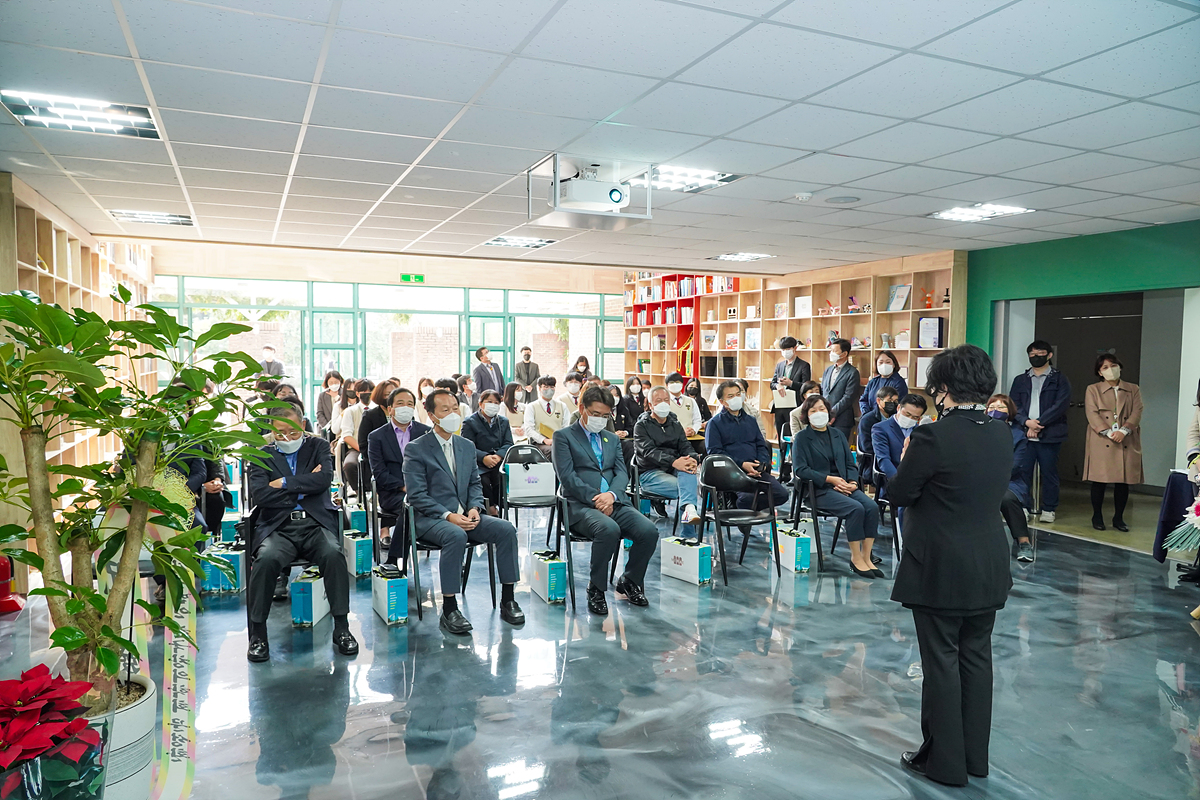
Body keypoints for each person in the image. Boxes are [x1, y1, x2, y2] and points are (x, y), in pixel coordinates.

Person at [889, 344, 1014, 788]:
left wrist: (906, 460)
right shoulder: (1001, 432)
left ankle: (942, 762)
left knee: (940, 661)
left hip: (939, 564)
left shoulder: (931, 436)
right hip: (988, 562)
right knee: (977, 659)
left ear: (942, 388)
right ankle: (974, 758)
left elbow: (900, 495)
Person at [403, 388, 524, 634]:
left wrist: (474, 508)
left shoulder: (466, 446)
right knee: (455, 535)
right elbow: (416, 496)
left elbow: (474, 484)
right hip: (432, 518)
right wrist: (448, 516)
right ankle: (449, 608)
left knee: (506, 529)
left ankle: (508, 599)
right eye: (445, 410)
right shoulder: (416, 449)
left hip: (466, 516)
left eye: (455, 408)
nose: (452, 414)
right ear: (431, 415)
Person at [246, 406, 358, 662]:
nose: (286, 438)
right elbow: (261, 495)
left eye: (292, 431)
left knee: (333, 554)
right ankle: (258, 634)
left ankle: (341, 627)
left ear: (304, 425)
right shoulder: (261, 455)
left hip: (315, 524)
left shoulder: (317, 446)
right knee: (266, 560)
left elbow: (324, 480)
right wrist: (305, 483)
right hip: (278, 527)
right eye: (279, 433)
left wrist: (283, 483)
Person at [553, 386, 659, 615]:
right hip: (580, 506)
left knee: (648, 531)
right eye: (595, 414)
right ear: (582, 409)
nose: (600, 420)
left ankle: (629, 580)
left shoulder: (611, 438)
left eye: (605, 416)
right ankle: (596, 588)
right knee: (608, 530)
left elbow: (622, 473)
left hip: (615, 501)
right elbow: (568, 478)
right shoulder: (563, 437)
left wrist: (611, 496)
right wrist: (597, 499)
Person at [791, 395, 881, 578]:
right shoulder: (802, 438)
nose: (818, 413)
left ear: (828, 411)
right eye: (813, 410)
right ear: (806, 415)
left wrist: (852, 482)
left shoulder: (838, 434)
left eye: (822, 409)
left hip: (844, 485)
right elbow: (801, 469)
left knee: (871, 507)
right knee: (855, 509)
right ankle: (856, 558)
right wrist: (831, 479)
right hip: (818, 489)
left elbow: (850, 463)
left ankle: (866, 556)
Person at [1009, 340, 1070, 523]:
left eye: (1040, 353)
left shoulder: (1060, 379)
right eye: (1032, 354)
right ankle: (1024, 506)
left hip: (1050, 433)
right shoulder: (1020, 380)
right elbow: (1014, 405)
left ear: (1049, 355)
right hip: (1024, 433)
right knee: (1022, 471)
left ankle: (1049, 509)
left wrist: (1039, 423)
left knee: (1049, 472)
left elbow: (1061, 405)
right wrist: (1027, 422)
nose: (1036, 357)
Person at [367, 387, 431, 562]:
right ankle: (394, 559)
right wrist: (404, 486)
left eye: (410, 404)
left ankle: (394, 560)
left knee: (418, 504)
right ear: (390, 409)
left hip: (424, 490)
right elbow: (379, 473)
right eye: (400, 403)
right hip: (393, 492)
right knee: (409, 506)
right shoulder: (377, 437)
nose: (406, 407)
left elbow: (433, 467)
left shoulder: (426, 432)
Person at [705, 380, 788, 511]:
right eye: (730, 396)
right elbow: (715, 452)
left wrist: (761, 464)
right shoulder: (714, 423)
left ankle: (743, 508)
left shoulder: (751, 420)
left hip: (756, 470)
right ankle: (743, 510)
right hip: (732, 473)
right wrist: (742, 465)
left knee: (781, 495)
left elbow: (761, 444)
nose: (736, 398)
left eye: (738, 394)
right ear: (722, 402)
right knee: (747, 499)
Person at [1083, 353, 1143, 532]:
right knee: (1099, 480)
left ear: (1120, 367)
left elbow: (1137, 411)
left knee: (1123, 481)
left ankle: (1119, 518)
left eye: (1113, 365)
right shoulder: (1092, 389)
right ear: (1099, 372)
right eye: (1105, 367)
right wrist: (1109, 432)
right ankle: (1097, 516)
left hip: (1126, 438)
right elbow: (1091, 413)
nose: (1110, 370)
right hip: (1102, 438)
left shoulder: (1133, 389)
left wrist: (1124, 430)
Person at [633, 386, 702, 526]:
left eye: (666, 400)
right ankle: (688, 534)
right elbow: (649, 452)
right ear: (650, 404)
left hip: (673, 470)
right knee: (687, 488)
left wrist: (692, 459)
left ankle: (689, 512)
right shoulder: (641, 426)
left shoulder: (675, 423)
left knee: (688, 473)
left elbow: (685, 446)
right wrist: (674, 461)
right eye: (658, 400)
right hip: (650, 472)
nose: (663, 403)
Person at [986, 394, 1036, 562]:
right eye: (992, 407)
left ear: (1010, 411)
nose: (996, 411)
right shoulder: (979, 430)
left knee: (1006, 498)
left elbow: (1015, 465)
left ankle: (1024, 543)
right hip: (980, 478)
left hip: (1010, 481)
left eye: (1001, 407)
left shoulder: (1018, 435)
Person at [461, 389, 514, 516]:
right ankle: (489, 508)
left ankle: (500, 505)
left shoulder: (503, 421)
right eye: (489, 401)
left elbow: (508, 443)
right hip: (478, 462)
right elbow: (467, 446)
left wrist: (498, 456)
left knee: (500, 477)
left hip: (497, 460)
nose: (493, 405)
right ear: (480, 403)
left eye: (496, 402)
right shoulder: (469, 422)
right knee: (482, 479)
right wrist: (484, 457)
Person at [873, 394, 926, 490]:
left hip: (917, 480)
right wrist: (899, 481)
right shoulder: (881, 428)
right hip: (894, 479)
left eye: (915, 417)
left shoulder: (920, 432)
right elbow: (884, 460)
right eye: (907, 414)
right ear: (898, 408)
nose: (910, 419)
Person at [770, 336, 811, 449]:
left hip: (795, 406)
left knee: (795, 437)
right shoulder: (780, 365)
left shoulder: (804, 365)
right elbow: (772, 383)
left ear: (795, 348)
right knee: (781, 437)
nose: (785, 352)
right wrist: (778, 386)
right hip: (780, 406)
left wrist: (791, 384)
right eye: (782, 350)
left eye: (787, 349)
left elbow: (805, 386)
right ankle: (783, 463)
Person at [355, 380, 396, 492]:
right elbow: (363, 444)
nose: (391, 398)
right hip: (378, 462)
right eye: (387, 395)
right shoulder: (370, 416)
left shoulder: (405, 416)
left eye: (394, 394)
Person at [820, 338, 861, 439]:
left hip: (842, 419)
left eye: (834, 351)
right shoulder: (828, 370)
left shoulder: (852, 372)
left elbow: (848, 397)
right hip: (824, 416)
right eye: (831, 350)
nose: (831, 353)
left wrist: (833, 412)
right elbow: (823, 391)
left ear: (844, 354)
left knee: (839, 450)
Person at [338, 379, 373, 495]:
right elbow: (347, 436)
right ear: (357, 393)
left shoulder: (378, 410)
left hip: (376, 447)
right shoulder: (350, 411)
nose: (367, 393)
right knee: (350, 465)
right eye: (363, 391)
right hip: (357, 448)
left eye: (370, 391)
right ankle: (359, 492)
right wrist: (363, 449)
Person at [858, 386, 899, 482]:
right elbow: (866, 446)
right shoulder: (867, 420)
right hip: (874, 460)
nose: (893, 404)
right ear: (878, 401)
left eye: (896, 401)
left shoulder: (896, 417)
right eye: (889, 400)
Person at [525, 375, 565, 457]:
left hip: (559, 441)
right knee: (553, 451)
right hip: (539, 443)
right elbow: (529, 429)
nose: (549, 389)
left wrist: (557, 440)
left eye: (552, 387)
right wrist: (544, 440)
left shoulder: (562, 406)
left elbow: (566, 426)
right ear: (539, 388)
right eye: (545, 387)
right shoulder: (531, 406)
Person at [860, 351, 908, 417]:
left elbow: (897, 405)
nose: (884, 365)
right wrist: (867, 414)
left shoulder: (899, 382)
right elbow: (863, 400)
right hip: (869, 418)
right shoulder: (873, 381)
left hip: (887, 420)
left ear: (894, 364)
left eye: (888, 362)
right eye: (881, 362)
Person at [665, 372, 702, 436]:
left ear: (682, 384)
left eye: (677, 382)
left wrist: (693, 430)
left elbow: (697, 420)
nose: (675, 384)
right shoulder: (664, 402)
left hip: (691, 437)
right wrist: (681, 433)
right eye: (672, 382)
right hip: (672, 438)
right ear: (666, 385)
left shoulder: (691, 401)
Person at [316, 370, 344, 438]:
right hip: (326, 429)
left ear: (340, 381)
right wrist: (328, 427)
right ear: (327, 383)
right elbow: (319, 413)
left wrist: (337, 397)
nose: (334, 385)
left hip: (342, 428)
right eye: (331, 382)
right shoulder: (322, 395)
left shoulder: (344, 394)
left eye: (336, 382)